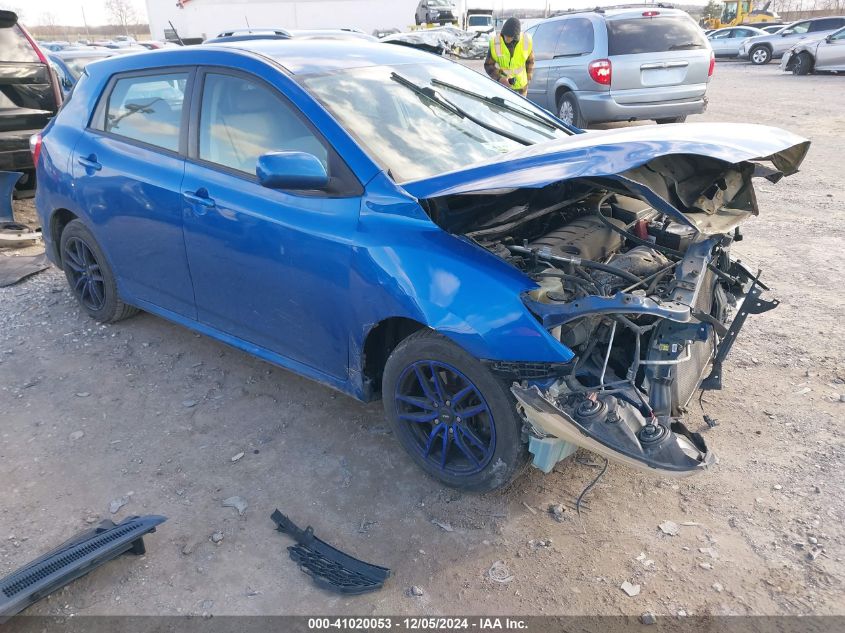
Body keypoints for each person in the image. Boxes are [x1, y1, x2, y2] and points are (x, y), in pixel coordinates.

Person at [484, 17, 534, 96]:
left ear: (515, 36)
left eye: (509, 36)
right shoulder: (495, 42)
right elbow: (488, 65)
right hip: (502, 88)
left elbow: (530, 62)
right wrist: (499, 79)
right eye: (505, 35)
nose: (506, 38)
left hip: (521, 89)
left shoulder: (526, 40)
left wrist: (528, 80)